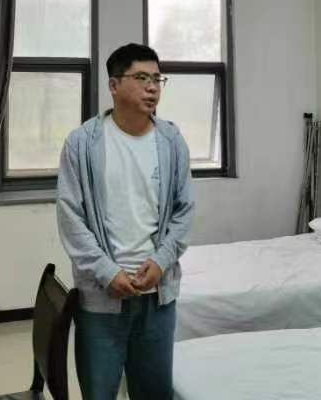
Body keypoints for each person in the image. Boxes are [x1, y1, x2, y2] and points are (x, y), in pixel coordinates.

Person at [56, 43, 194, 400]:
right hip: (101, 299)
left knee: (154, 392)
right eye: (142, 78)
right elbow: (71, 218)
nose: (153, 87)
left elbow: (184, 212)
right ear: (114, 85)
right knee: (99, 392)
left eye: (158, 79)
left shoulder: (171, 141)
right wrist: (106, 271)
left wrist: (161, 262)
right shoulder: (82, 143)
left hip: (157, 299)